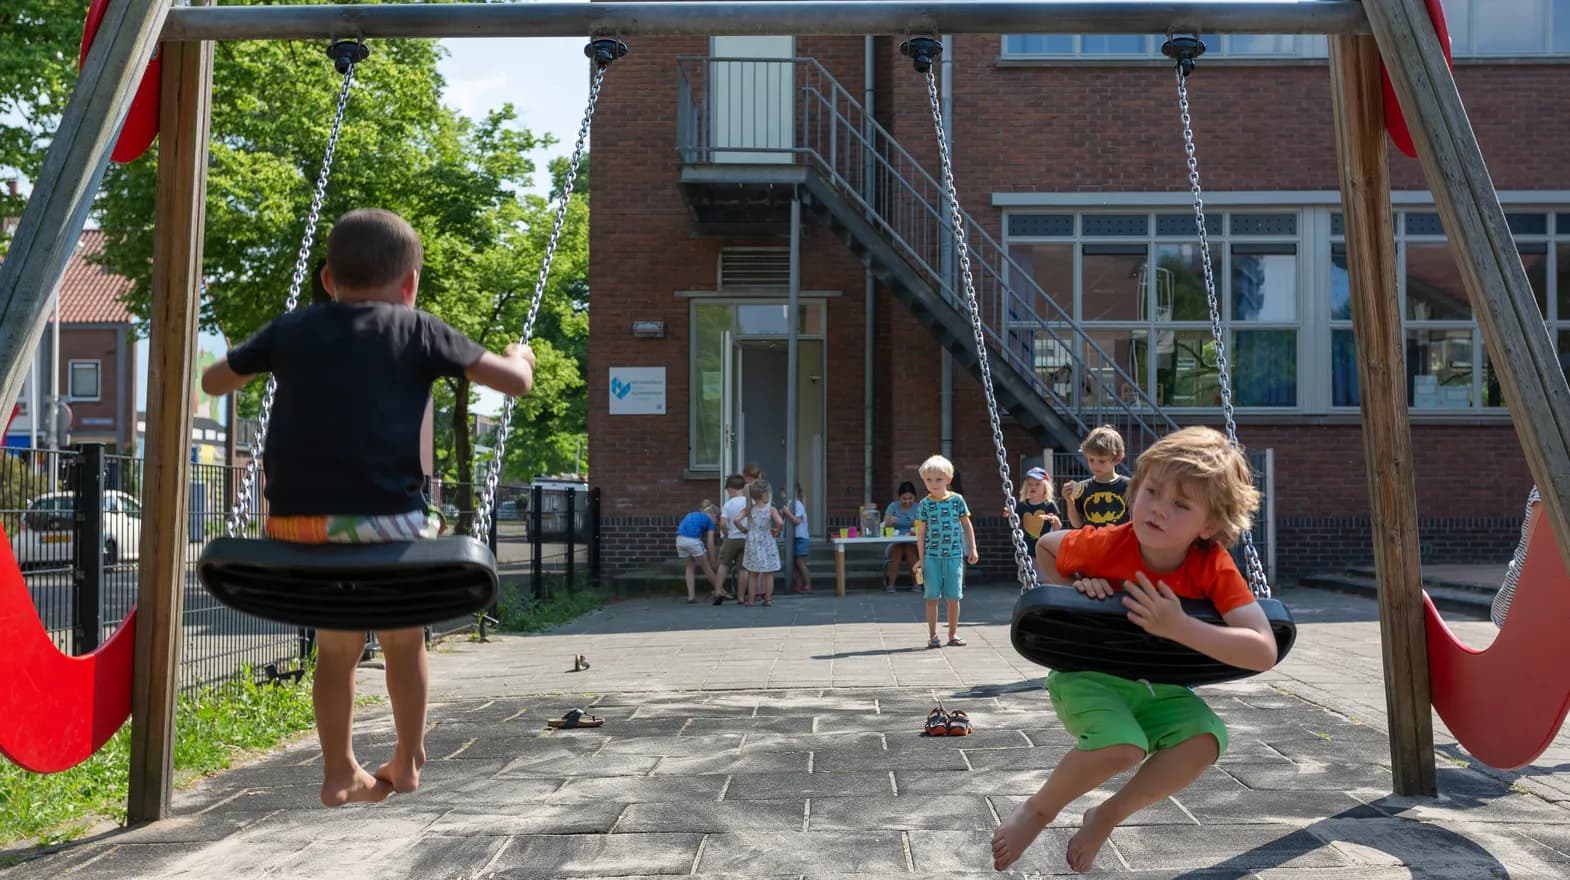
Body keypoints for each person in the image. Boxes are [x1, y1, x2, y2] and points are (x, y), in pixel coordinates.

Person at [200, 208, 535, 807]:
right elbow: (512, 382)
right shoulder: (420, 329)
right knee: (405, 643)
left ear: (328, 278)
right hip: (391, 527)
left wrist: (264, 353)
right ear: (409, 285)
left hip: (297, 530)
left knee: (337, 649)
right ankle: (407, 760)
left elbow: (213, 383)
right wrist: (523, 357)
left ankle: (339, 770)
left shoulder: (293, 328)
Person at [995, 426, 1278, 873]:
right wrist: (1073, 588)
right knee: (1122, 747)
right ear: (1136, 488)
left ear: (1210, 524)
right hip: (1087, 674)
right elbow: (1046, 549)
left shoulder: (1212, 566)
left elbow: (1263, 649)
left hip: (1157, 685)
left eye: (1180, 504)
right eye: (1152, 492)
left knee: (1205, 739)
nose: (1159, 510)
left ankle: (1106, 815)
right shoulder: (1108, 541)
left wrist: (1179, 626)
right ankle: (1037, 810)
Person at [913, 455, 978, 648]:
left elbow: (967, 525)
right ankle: (933, 635)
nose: (934, 483)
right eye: (928, 480)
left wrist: (972, 547)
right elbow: (921, 532)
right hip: (932, 557)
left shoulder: (957, 500)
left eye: (938, 479)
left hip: (954, 556)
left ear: (948, 479)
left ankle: (952, 634)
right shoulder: (924, 504)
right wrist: (921, 559)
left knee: (954, 597)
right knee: (931, 597)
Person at [1063, 424, 1131, 529]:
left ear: (1117, 459)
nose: (1095, 465)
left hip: (1118, 542)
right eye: (1091, 460)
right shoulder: (1083, 488)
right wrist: (1069, 501)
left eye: (1102, 461)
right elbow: (1077, 524)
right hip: (1092, 542)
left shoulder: (1128, 486)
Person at [736, 479, 783, 606]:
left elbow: (736, 520)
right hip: (767, 540)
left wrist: (743, 529)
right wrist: (777, 531)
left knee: (753, 572)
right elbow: (780, 522)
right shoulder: (771, 509)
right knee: (768, 572)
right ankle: (768, 599)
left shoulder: (749, 508)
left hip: (753, 541)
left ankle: (751, 600)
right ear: (765, 494)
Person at [675, 500, 723, 604]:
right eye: (717, 519)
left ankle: (691, 596)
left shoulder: (691, 514)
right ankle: (721, 591)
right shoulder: (710, 522)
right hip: (693, 541)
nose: (717, 522)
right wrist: (713, 561)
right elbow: (710, 544)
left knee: (689, 567)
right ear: (713, 515)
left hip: (680, 539)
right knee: (707, 568)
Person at [713, 474, 750, 605]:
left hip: (731, 539)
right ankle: (740, 597)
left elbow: (723, 523)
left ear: (730, 489)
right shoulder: (748, 502)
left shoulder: (728, 504)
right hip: (746, 539)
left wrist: (726, 533)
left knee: (724, 564)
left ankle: (718, 591)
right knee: (743, 568)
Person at [883, 481, 921, 592]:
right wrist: (889, 522)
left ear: (914, 497)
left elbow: (925, 525)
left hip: (913, 540)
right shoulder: (893, 506)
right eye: (904, 499)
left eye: (910, 498)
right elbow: (884, 524)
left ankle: (918, 583)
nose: (907, 501)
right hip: (896, 540)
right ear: (899, 498)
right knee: (898, 549)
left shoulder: (919, 507)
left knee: (910, 550)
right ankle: (891, 584)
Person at [1012, 465, 1062, 549]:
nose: (1033, 487)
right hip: (1025, 547)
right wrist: (1011, 514)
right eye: (1030, 484)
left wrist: (1053, 519)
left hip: (1044, 546)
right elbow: (1015, 524)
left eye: (1037, 484)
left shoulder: (1049, 505)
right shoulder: (1022, 505)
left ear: (1045, 488)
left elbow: (1058, 527)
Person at [783, 483, 813, 593]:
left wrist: (787, 513)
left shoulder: (797, 504)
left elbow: (797, 521)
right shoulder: (790, 503)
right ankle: (798, 584)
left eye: (784, 491)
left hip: (801, 537)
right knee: (795, 564)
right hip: (794, 537)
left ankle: (808, 584)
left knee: (800, 562)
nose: (783, 494)